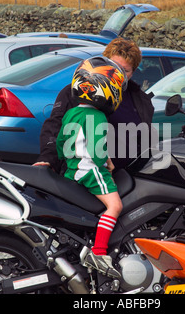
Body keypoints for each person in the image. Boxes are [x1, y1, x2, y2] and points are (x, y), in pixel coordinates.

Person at [34, 37, 154, 173]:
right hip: (84, 175)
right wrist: (48, 159)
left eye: (125, 71)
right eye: (114, 67)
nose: (118, 74)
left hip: (128, 179)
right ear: (103, 63)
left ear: (133, 71)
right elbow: (55, 126)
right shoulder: (78, 91)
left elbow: (146, 140)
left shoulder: (141, 100)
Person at [56, 56, 127, 277]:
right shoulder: (98, 116)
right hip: (91, 170)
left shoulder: (71, 112)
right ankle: (98, 251)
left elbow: (60, 144)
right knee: (115, 207)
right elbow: (97, 152)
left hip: (72, 170)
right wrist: (108, 166)